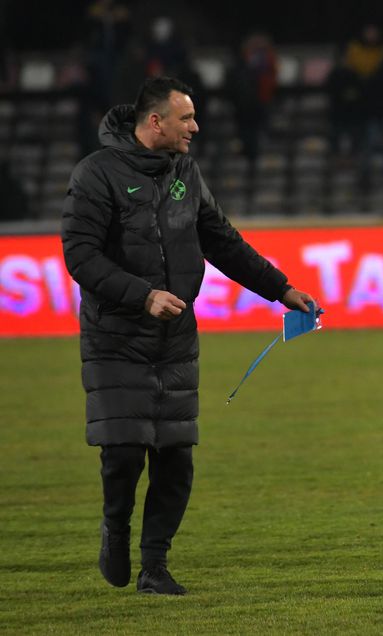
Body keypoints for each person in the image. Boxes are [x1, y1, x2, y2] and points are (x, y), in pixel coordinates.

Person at [61, 76, 315, 594]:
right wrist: (142, 294)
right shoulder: (96, 175)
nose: (195, 127)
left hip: (175, 339)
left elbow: (222, 240)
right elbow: (80, 255)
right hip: (116, 337)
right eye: (186, 118)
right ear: (155, 121)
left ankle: (154, 567)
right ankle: (116, 528)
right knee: (124, 452)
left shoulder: (186, 172)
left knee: (176, 458)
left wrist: (281, 288)